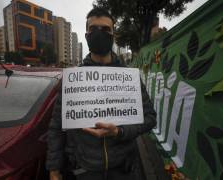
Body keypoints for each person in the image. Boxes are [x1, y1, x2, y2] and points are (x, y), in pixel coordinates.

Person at [46, 8, 156, 180]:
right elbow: (56, 127)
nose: (99, 34)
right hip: (84, 170)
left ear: (113, 35)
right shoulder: (72, 80)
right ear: (86, 35)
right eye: (93, 29)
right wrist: (54, 169)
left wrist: (120, 131)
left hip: (124, 169)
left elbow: (150, 118)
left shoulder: (129, 78)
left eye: (105, 29)